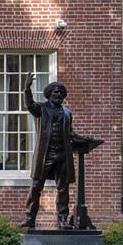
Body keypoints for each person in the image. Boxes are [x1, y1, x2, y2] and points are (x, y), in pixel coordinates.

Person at [24, 78, 77, 229]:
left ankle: (62, 219)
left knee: (63, 188)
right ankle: (29, 217)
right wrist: (27, 89)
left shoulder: (67, 113)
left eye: (61, 92)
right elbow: (29, 105)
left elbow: (70, 133)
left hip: (63, 155)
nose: (58, 94)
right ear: (49, 94)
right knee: (35, 186)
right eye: (55, 92)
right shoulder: (41, 109)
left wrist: (86, 139)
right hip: (45, 154)